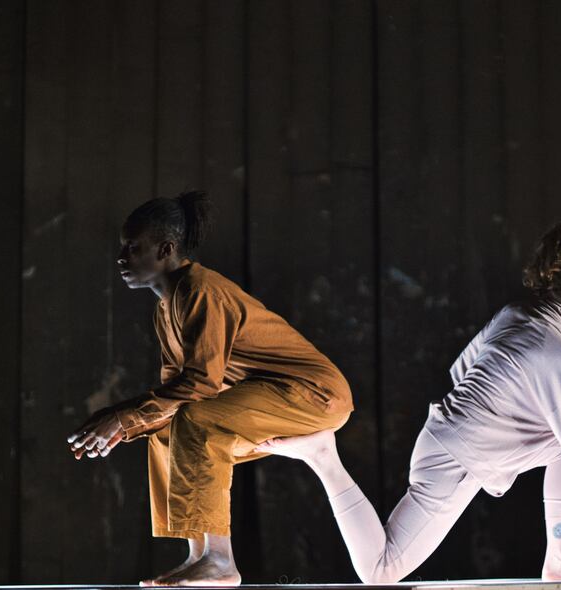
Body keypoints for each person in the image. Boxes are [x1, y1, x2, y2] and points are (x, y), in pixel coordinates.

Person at [256, 222, 561, 583]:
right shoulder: (559, 354)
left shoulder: (518, 314)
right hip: (453, 460)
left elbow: (463, 369)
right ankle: (325, 459)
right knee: (381, 570)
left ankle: (560, 557)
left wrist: (498, 424)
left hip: (451, 441)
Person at [67, 191, 353, 587]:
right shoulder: (166, 307)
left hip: (313, 393)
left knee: (197, 420)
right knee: (169, 432)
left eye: (133, 248)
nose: (121, 258)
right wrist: (125, 427)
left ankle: (220, 562)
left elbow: (200, 385)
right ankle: (199, 557)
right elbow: (173, 392)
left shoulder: (200, 291)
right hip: (268, 395)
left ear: (166, 249)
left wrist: (121, 414)